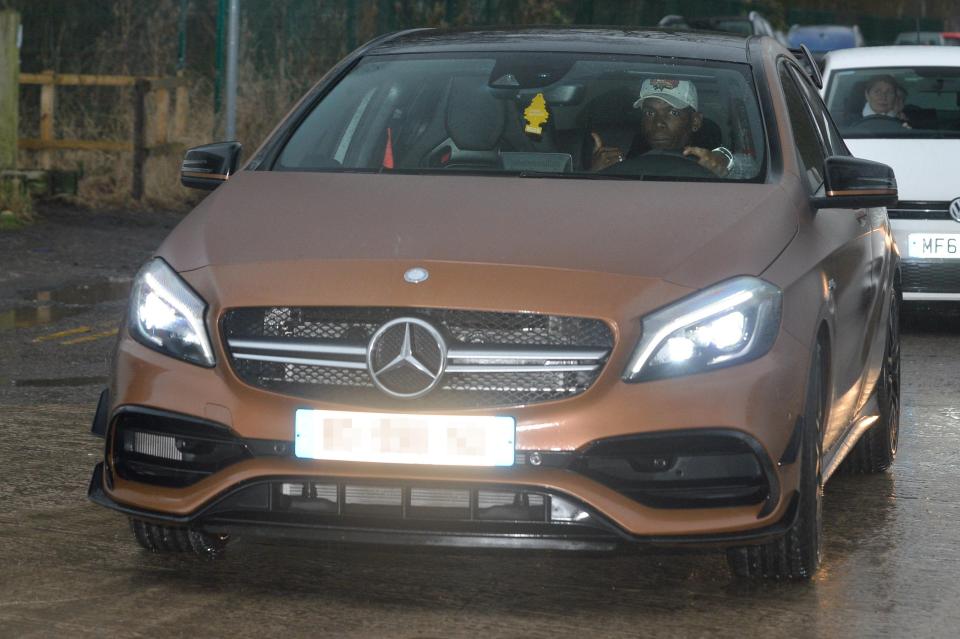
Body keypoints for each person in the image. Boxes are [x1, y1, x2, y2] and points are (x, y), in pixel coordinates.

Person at [590, 78, 751, 177]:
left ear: (695, 121)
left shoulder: (709, 159)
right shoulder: (624, 156)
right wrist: (594, 175)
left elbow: (752, 169)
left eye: (673, 112)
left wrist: (728, 165)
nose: (659, 123)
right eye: (649, 113)